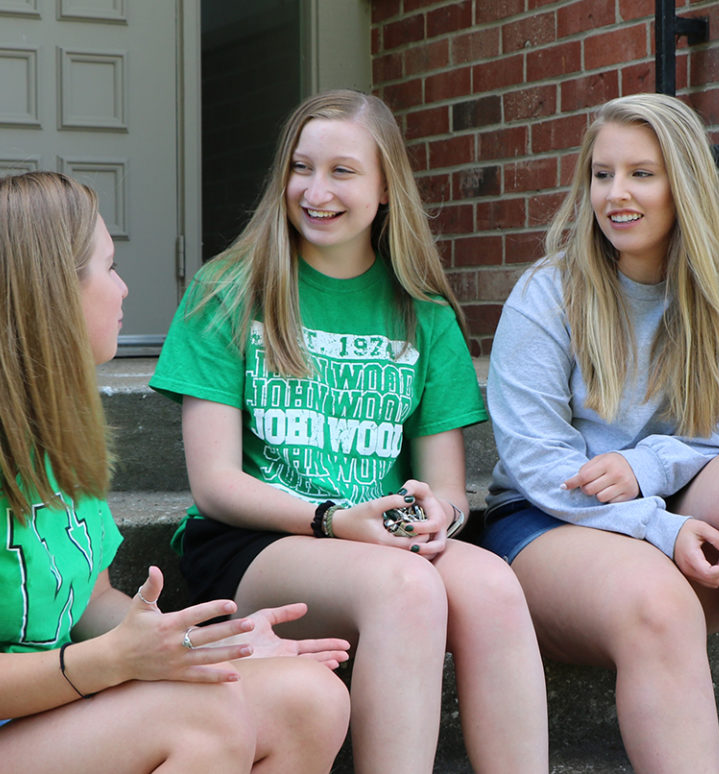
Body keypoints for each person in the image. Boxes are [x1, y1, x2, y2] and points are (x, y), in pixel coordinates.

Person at [0, 171, 351, 774]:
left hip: (48, 716)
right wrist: (119, 661)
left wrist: (209, 642)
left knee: (310, 698)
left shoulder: (51, 434)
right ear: (50, 294)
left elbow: (92, 603)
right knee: (204, 718)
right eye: (108, 267)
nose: (124, 288)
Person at [150, 90, 549, 774]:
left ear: (386, 185)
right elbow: (215, 485)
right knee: (405, 588)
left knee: (492, 587)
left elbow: (450, 491)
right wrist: (335, 520)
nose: (315, 190)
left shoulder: (424, 316)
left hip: (381, 537)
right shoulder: (227, 290)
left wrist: (436, 516)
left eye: (343, 171)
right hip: (262, 542)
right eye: (302, 168)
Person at [482, 93, 719, 774]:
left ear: (684, 183)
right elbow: (536, 460)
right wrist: (659, 527)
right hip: (548, 521)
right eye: (602, 174)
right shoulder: (548, 292)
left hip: (672, 501)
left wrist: (648, 467)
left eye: (642, 174)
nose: (617, 194)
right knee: (659, 599)